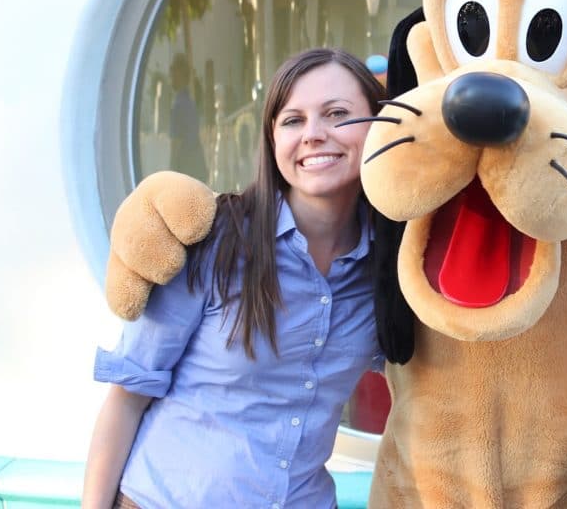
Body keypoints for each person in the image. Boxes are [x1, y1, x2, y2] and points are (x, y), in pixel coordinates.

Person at [82, 48, 386, 509]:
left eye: (337, 114)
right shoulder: (213, 241)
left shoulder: (386, 267)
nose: (314, 135)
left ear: (376, 126)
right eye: (293, 120)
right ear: (272, 139)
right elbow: (127, 398)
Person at [167, 52, 209, 181]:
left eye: (173, 70)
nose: (171, 75)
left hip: (185, 167)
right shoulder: (190, 102)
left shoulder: (179, 105)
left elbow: (176, 142)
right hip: (197, 165)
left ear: (180, 74)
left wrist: (172, 168)